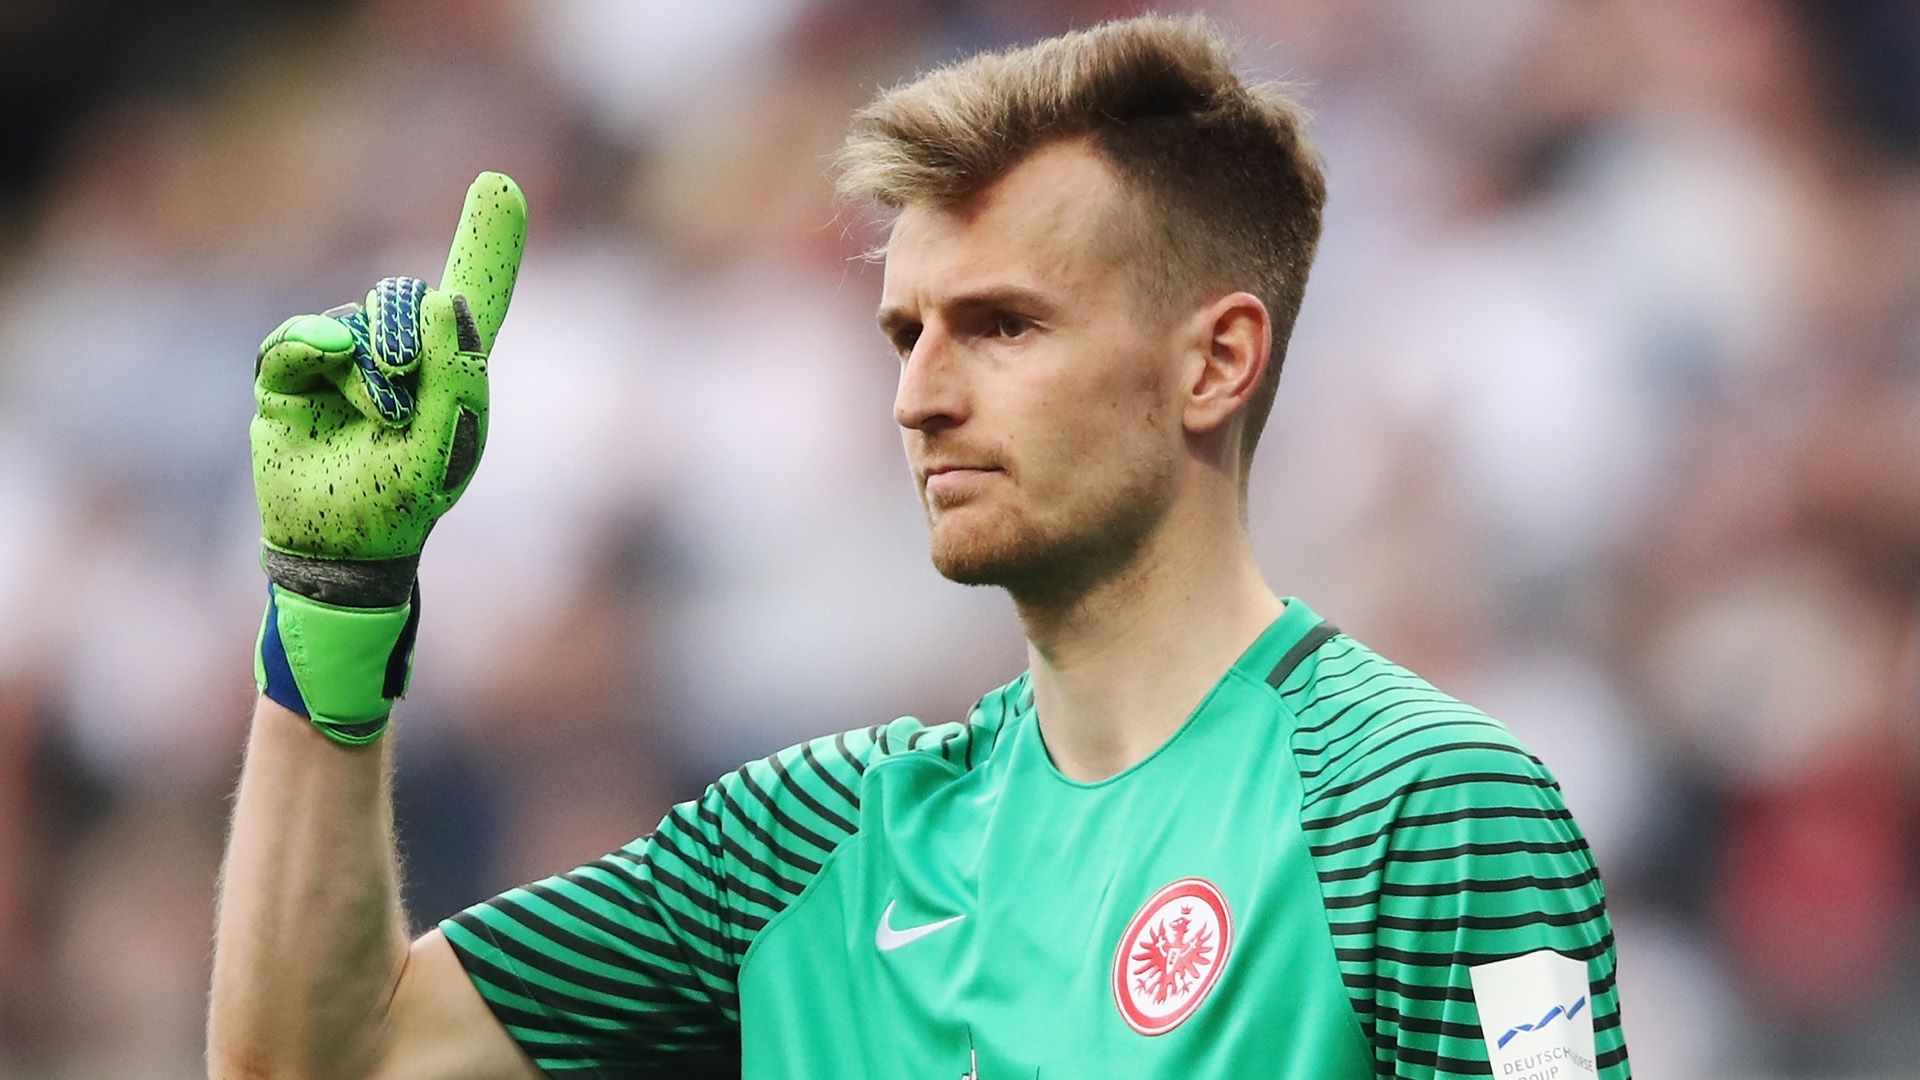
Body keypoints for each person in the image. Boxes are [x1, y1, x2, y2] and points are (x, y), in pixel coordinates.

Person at [208, 15, 1628, 1079]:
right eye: (906, 332)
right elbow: (322, 1058)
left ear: (1216, 363)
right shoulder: (806, 844)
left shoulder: (1424, 812)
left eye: (1003, 325)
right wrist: (335, 602)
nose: (921, 393)